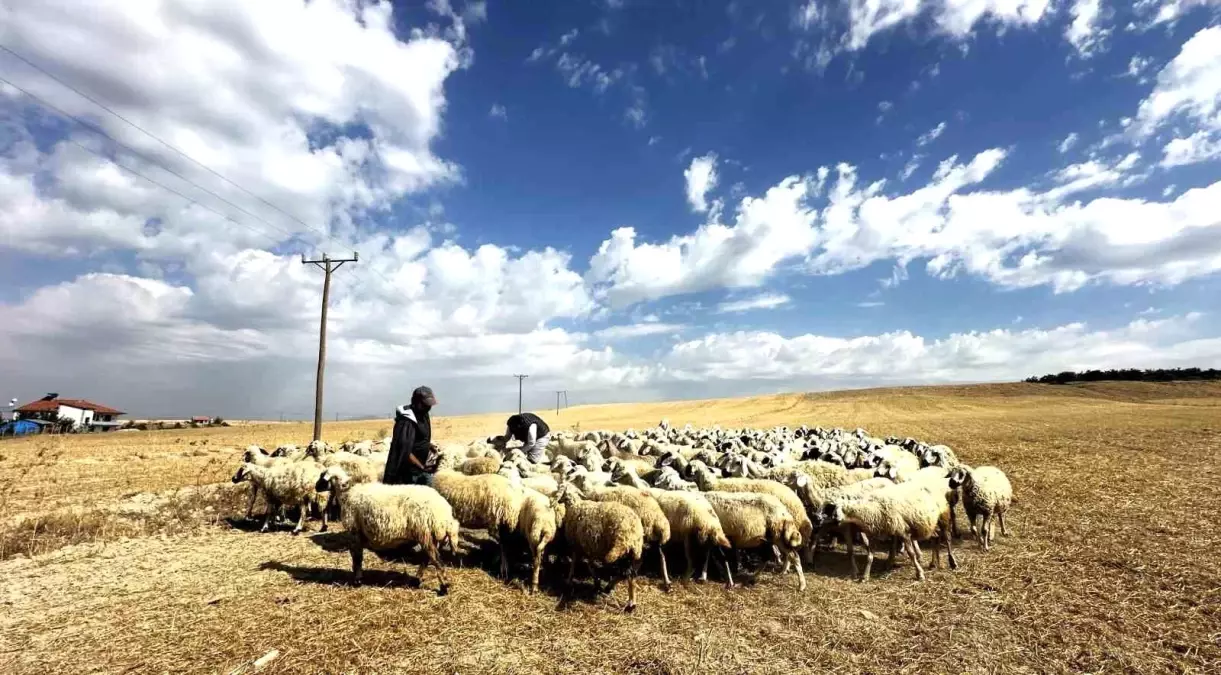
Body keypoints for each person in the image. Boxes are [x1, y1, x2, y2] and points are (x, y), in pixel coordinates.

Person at [384, 386, 438, 486]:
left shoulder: (423, 414)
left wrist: (428, 445)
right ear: (417, 402)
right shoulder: (406, 422)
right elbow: (404, 450)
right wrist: (421, 467)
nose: (429, 407)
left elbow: (417, 439)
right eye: (425, 405)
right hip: (408, 474)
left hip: (420, 468)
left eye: (429, 405)